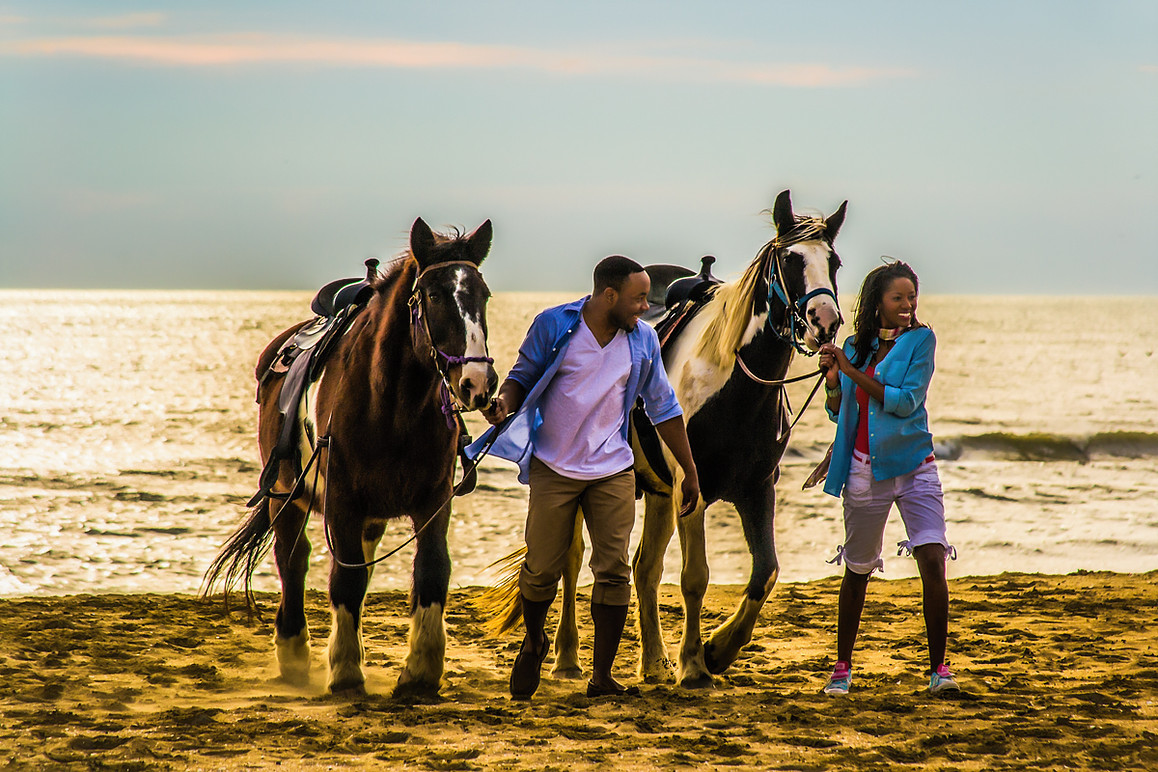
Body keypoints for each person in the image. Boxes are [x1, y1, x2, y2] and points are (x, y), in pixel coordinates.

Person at [477, 255, 699, 700]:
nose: (646, 307)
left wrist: (688, 470)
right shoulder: (554, 325)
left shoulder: (643, 339)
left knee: (613, 571)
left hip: (612, 469)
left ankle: (601, 676)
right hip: (554, 467)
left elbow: (663, 406)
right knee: (542, 569)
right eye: (639, 298)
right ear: (609, 295)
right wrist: (503, 404)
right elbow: (521, 377)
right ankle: (535, 642)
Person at [815, 259, 959, 697]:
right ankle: (842, 669)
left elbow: (905, 402)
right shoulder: (854, 347)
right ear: (878, 302)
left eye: (912, 296)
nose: (907, 304)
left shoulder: (921, 341)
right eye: (898, 297)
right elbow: (839, 412)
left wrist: (850, 370)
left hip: (916, 466)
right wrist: (834, 381)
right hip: (864, 469)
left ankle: (940, 670)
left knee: (932, 557)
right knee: (858, 569)